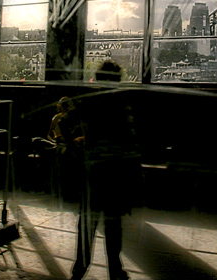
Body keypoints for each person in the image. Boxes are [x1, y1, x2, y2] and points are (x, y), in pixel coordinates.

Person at [71, 60, 141, 280]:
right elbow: (129, 140)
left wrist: (84, 143)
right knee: (113, 224)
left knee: (87, 223)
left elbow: (75, 126)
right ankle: (115, 270)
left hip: (95, 170)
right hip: (116, 171)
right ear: (118, 79)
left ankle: (80, 268)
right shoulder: (123, 102)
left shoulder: (91, 102)